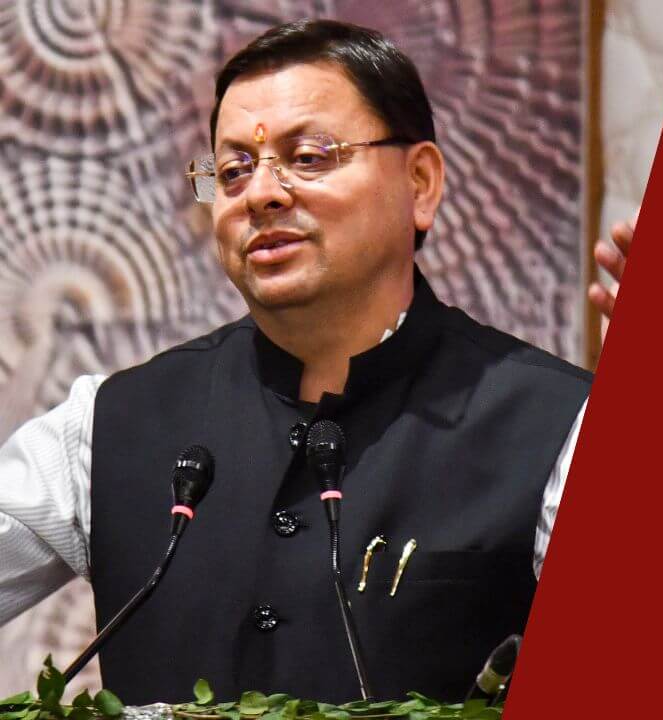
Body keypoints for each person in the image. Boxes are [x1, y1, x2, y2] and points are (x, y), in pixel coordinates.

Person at [0, 20, 600, 703]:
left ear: (421, 183)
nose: (262, 194)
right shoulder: (109, 425)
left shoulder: (557, 425)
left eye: (309, 157)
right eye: (233, 171)